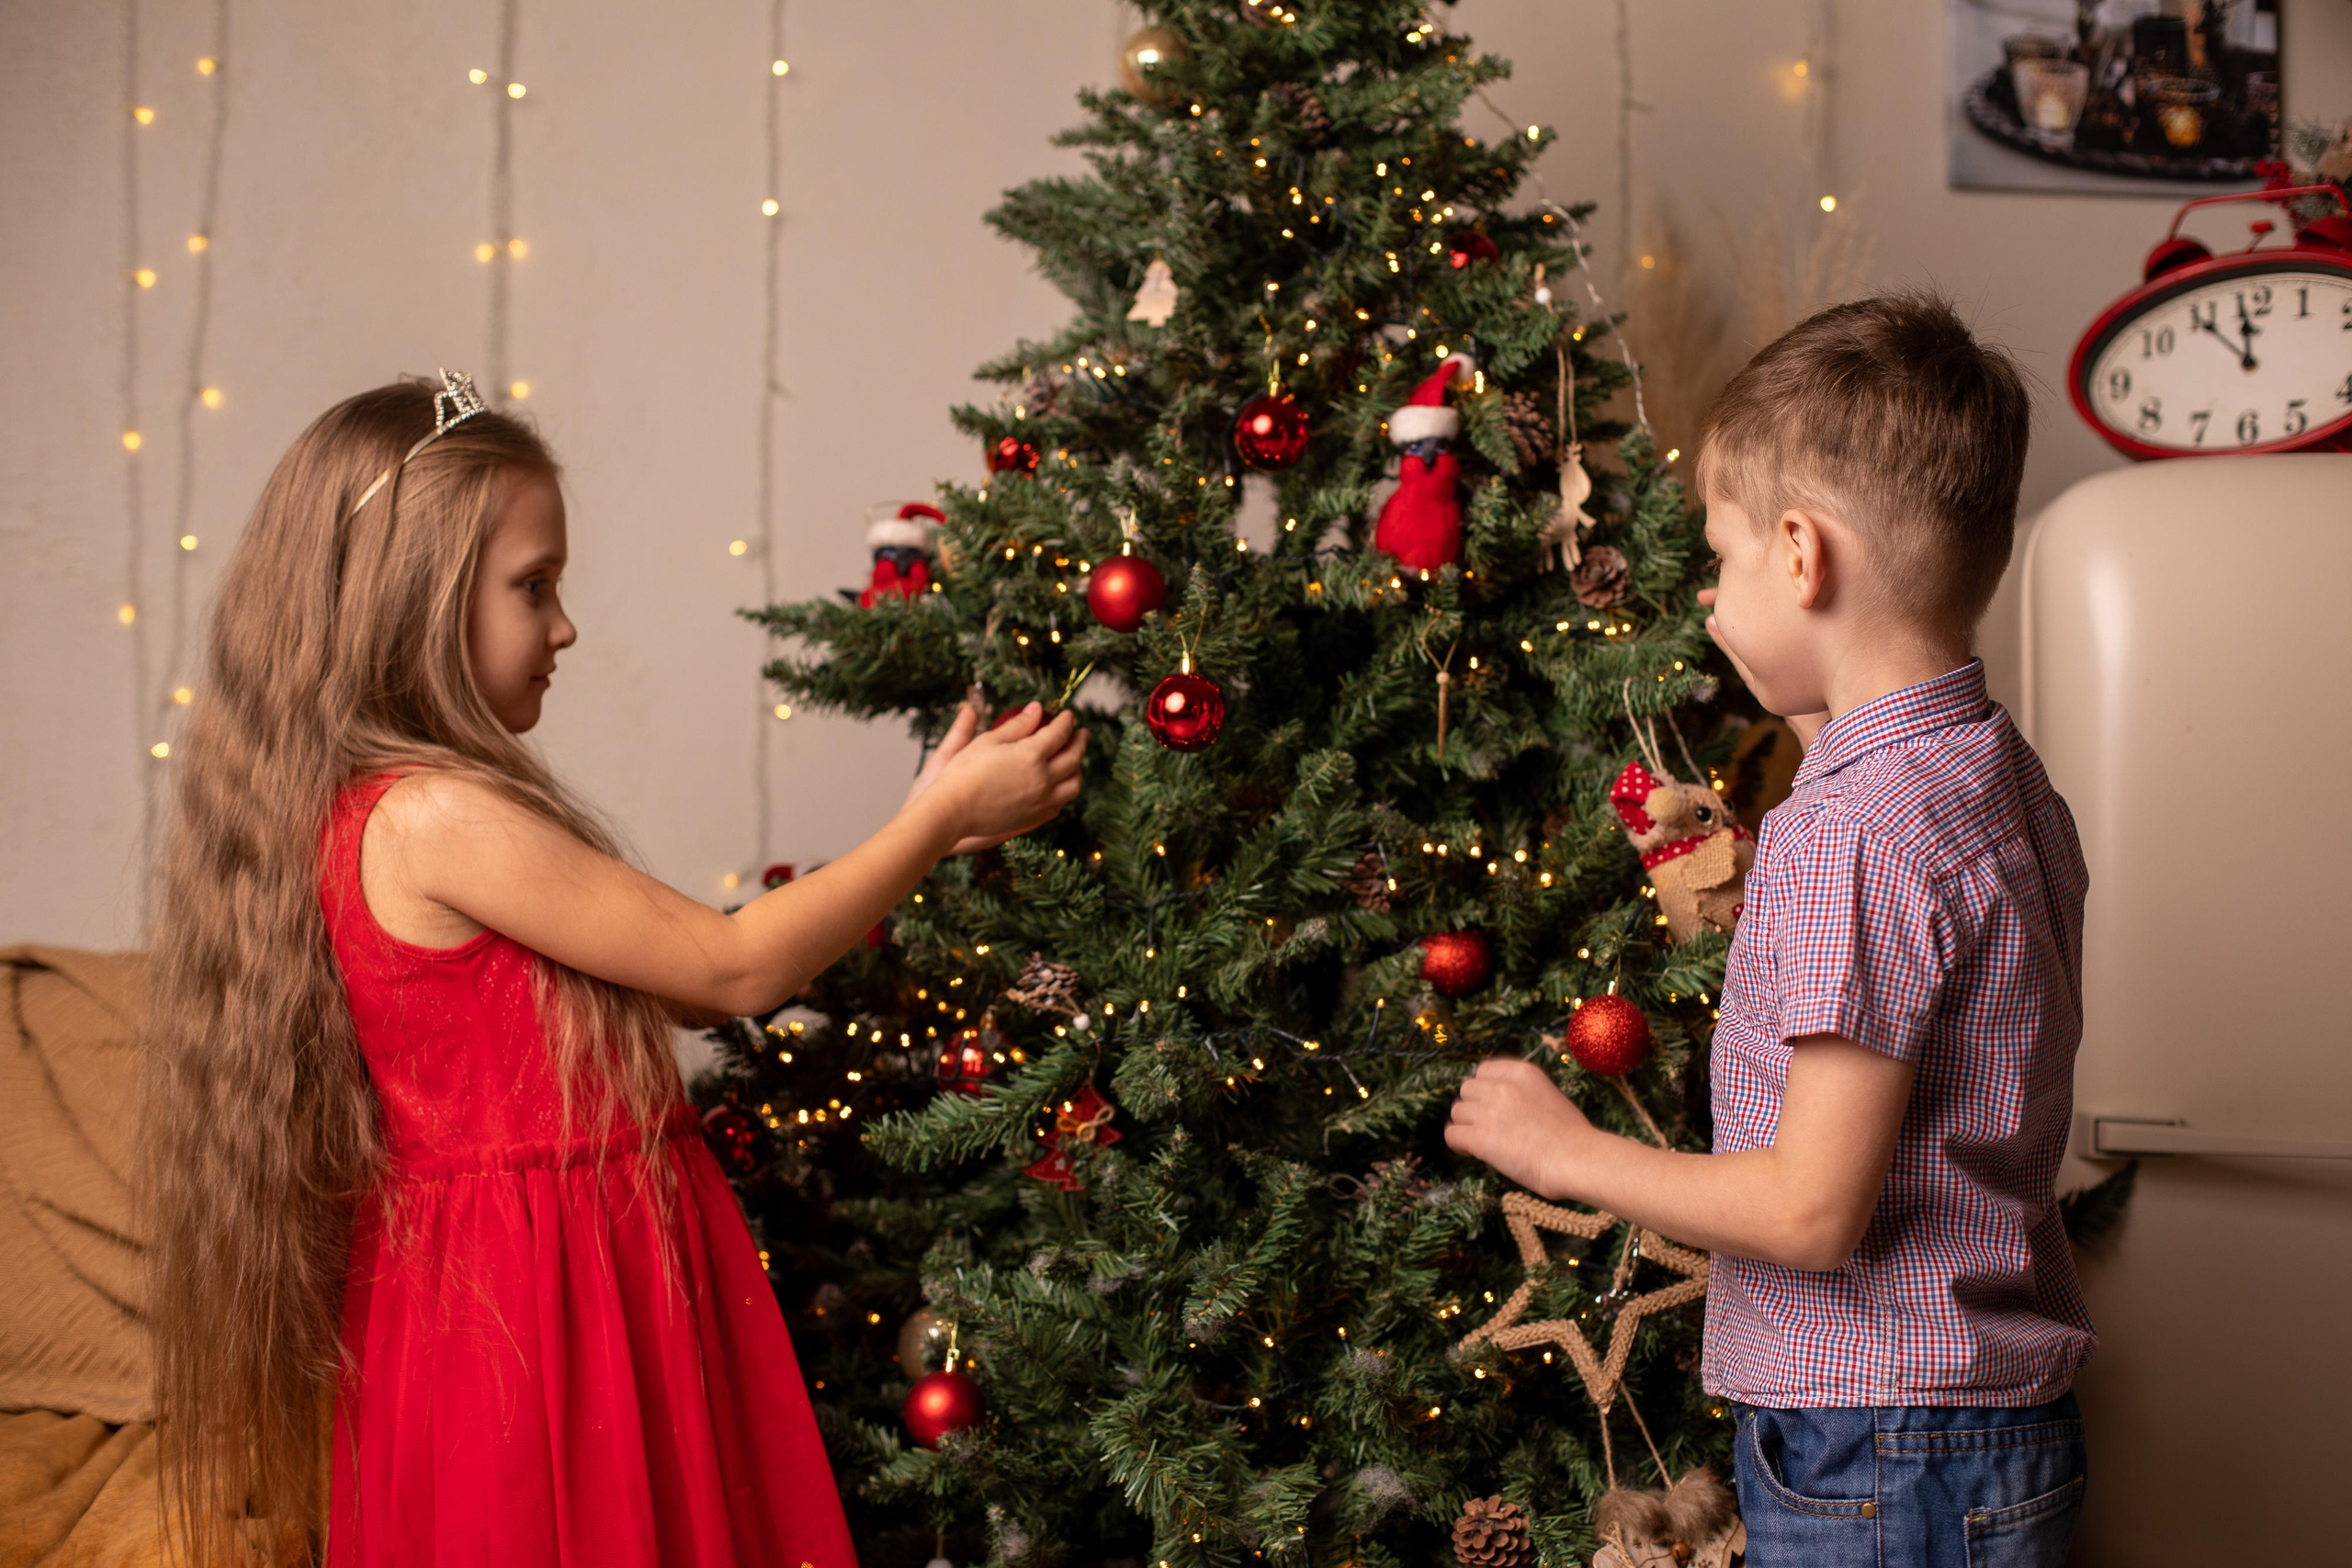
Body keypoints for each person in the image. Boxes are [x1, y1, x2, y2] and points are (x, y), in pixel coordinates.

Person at [142, 371, 1085, 1567]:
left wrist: (931, 823)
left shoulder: (399, 808)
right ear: (412, 602)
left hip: (542, 1275)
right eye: (532, 587)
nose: (565, 624)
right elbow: (739, 970)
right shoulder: (432, 817)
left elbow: (689, 983)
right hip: (532, 1305)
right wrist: (931, 826)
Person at [1446, 294, 2093, 1565]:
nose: (1705, 602)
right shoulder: (1991, 773)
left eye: (1719, 558)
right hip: (1978, 1434)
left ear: (1801, 555)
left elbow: (1810, 1213)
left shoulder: (1849, 834)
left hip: (1879, 1452)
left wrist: (1566, 1154)